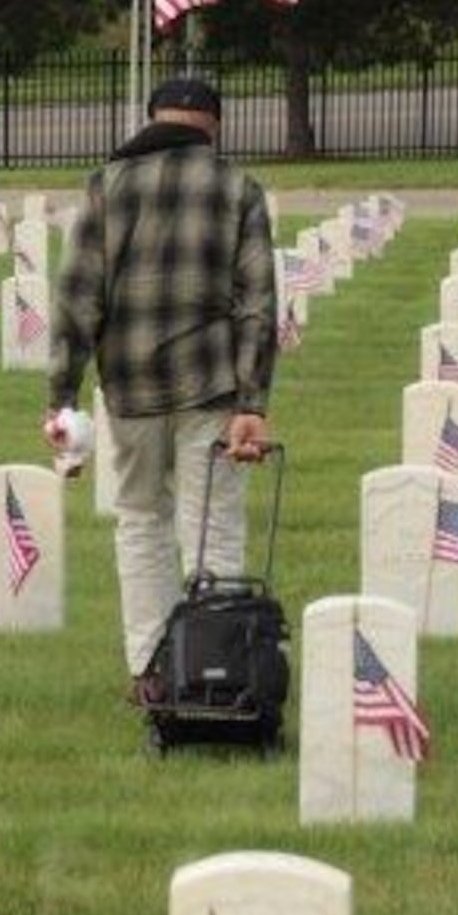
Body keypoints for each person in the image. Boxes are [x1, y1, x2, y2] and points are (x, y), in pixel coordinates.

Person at [44, 75, 277, 705]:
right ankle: (216, 672)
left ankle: (150, 670)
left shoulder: (106, 188)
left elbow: (76, 298)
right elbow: (258, 304)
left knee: (141, 521)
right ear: (216, 127)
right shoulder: (238, 188)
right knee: (214, 528)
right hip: (211, 385)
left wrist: (61, 396)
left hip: (130, 386)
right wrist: (253, 402)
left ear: (150, 119)